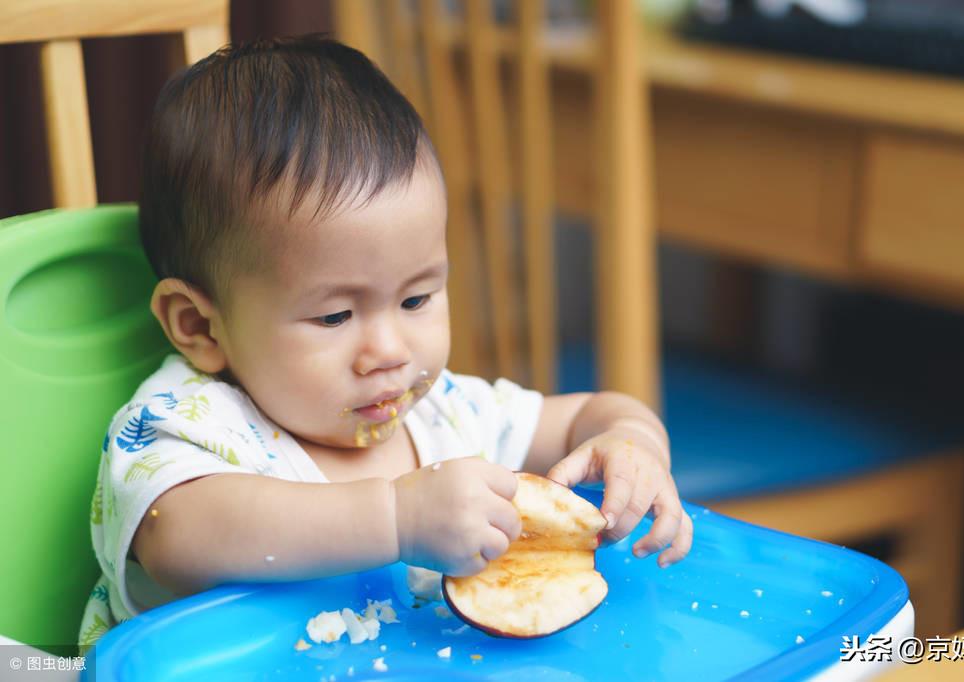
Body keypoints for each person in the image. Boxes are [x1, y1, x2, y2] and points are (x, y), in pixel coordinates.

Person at [78, 36, 692, 653]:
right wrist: (397, 519)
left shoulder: (447, 415)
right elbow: (179, 538)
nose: (390, 351)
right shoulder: (186, 424)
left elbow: (588, 415)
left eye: (416, 299)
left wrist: (632, 441)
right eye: (335, 315)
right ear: (199, 326)